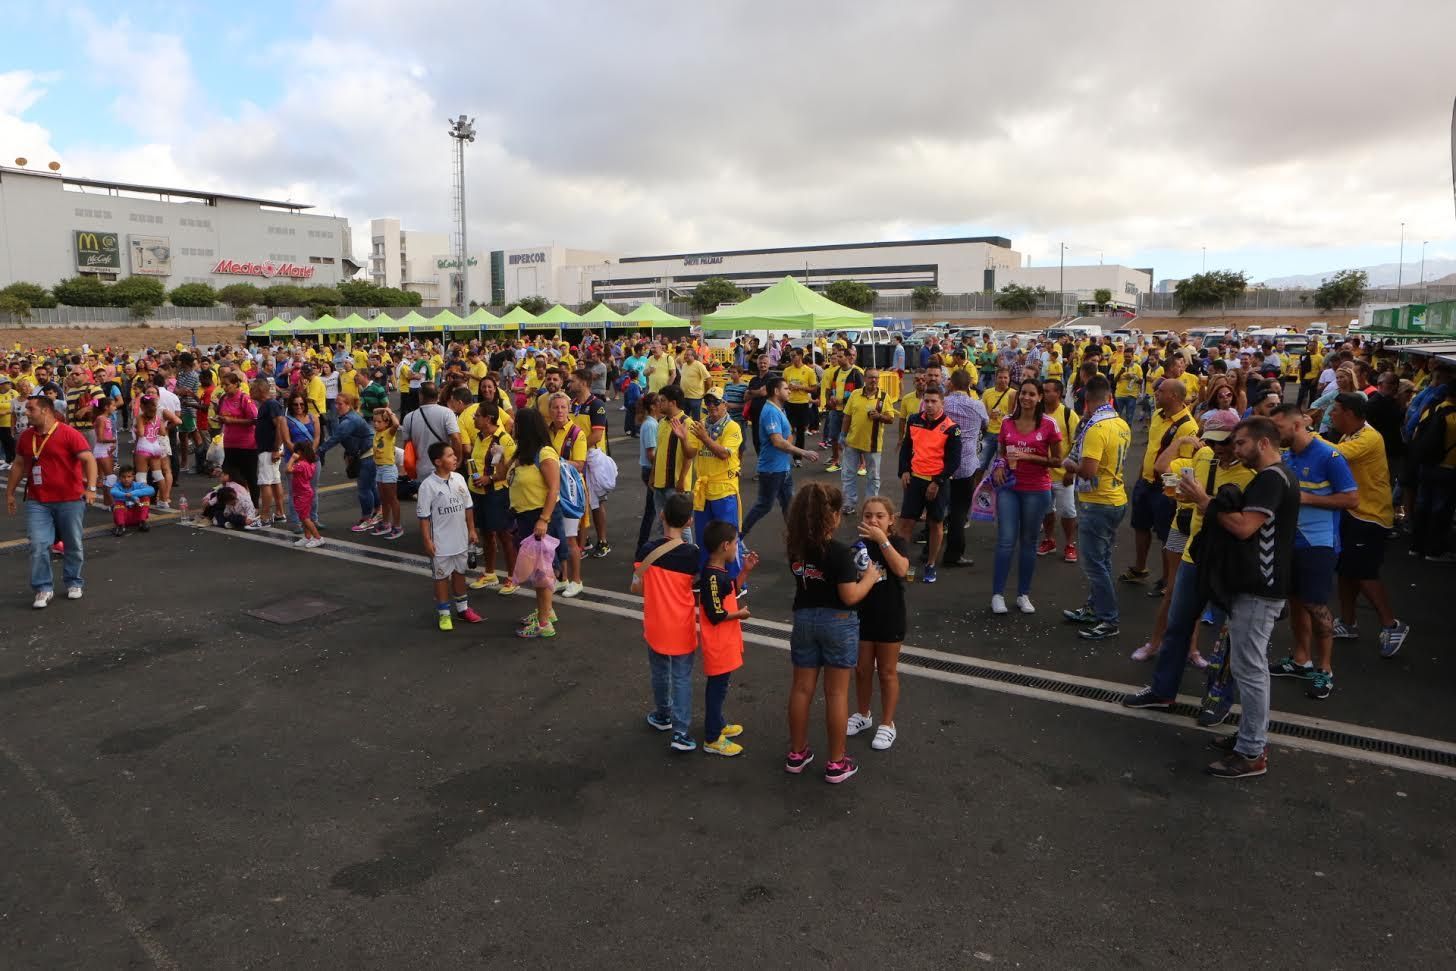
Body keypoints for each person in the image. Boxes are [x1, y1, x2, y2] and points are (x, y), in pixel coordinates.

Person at [1185, 418, 1300, 779]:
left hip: (1259, 586)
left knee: (1250, 668)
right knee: (1252, 666)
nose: (1235, 450)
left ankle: (1252, 752)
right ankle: (1250, 737)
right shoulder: (1280, 476)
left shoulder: (1271, 479)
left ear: (1263, 443)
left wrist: (1204, 500)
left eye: (1241, 444)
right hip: (1260, 585)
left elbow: (1244, 526)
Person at [784, 483, 883, 784]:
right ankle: (836, 762)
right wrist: (870, 577)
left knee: (801, 688)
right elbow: (850, 595)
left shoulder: (796, 547)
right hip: (838, 621)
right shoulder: (840, 553)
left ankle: (797, 753)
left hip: (804, 618)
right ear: (835, 516)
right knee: (836, 692)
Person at [1329, 393, 1410, 656]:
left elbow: (1334, 455)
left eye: (1336, 410)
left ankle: (1391, 624)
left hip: (1370, 516)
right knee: (1346, 569)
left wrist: (1303, 433)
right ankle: (1348, 622)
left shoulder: (1368, 437)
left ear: (1350, 414)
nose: (1331, 415)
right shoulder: (1351, 434)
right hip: (1352, 512)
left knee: (1364, 572)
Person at [6, 395, 98, 607]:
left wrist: (91, 488)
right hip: (37, 500)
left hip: (70, 499)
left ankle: (74, 581)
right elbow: (19, 464)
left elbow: (88, 459)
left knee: (72, 543)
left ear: (46, 410)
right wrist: (10, 493)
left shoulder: (68, 433)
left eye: (30, 409)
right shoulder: (26, 436)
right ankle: (43, 588)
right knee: (39, 544)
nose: (25, 413)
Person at [1062, 375, 1131, 640]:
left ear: (1087, 401)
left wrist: (1071, 466)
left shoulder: (1095, 428)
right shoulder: (1119, 422)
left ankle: (1108, 619)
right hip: (1115, 498)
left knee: (1094, 564)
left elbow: (1088, 471)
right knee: (1102, 560)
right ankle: (1094, 607)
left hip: (1099, 502)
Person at [635, 493, 701, 752]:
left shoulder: (647, 550)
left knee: (660, 670)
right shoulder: (692, 555)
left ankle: (663, 714)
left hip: (655, 623)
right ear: (690, 522)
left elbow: (639, 585)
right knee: (682, 675)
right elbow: (696, 586)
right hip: (681, 625)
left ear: (662, 515)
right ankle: (681, 731)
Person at [990, 379, 1061, 614]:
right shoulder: (1007, 422)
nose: (1026, 398)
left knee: (1029, 542)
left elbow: (1057, 461)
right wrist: (999, 465)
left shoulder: (1050, 424)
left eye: (1032, 394)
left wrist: (1029, 458)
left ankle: (1023, 594)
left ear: (1040, 397)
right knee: (1006, 541)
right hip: (1009, 487)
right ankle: (998, 594)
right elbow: (1001, 451)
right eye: (1023, 393)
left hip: (1037, 489)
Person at [845, 496, 910, 751]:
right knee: (861, 669)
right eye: (868, 515)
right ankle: (863, 714)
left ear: (890, 520)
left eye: (880, 516)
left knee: (887, 671)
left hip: (890, 615)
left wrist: (882, 541)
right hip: (862, 616)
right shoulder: (856, 547)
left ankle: (887, 723)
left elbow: (902, 569)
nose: (873, 520)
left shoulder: (896, 543)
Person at [1122, 378, 1197, 594]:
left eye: (1161, 390)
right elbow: (1151, 450)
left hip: (1165, 487)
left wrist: (1171, 493)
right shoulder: (1157, 414)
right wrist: (1140, 478)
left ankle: (1167, 579)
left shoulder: (1187, 426)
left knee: (1165, 533)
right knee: (1140, 525)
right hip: (1145, 481)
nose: (1156, 393)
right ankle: (1139, 568)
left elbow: (1183, 466)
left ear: (1174, 395)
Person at [698, 520, 759, 757]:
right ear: (725, 546)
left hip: (725, 642)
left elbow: (730, 588)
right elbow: (715, 614)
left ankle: (718, 723)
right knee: (717, 688)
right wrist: (739, 614)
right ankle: (712, 737)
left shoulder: (719, 572)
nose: (737, 548)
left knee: (720, 687)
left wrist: (744, 571)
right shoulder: (712, 576)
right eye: (735, 544)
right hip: (718, 644)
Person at [741, 376, 820, 543]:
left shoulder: (780, 409)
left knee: (790, 506)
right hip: (771, 470)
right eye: (786, 389)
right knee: (764, 505)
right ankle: (737, 538)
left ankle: (796, 540)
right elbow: (777, 441)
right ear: (776, 392)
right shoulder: (770, 411)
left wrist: (787, 445)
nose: (789, 390)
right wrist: (803, 452)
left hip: (783, 469)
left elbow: (788, 435)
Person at [896, 384, 962, 585]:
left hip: (938, 482)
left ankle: (931, 564)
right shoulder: (914, 420)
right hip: (915, 479)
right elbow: (906, 447)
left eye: (934, 401)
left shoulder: (952, 428)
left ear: (942, 403)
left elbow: (953, 462)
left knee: (935, 524)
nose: (930, 405)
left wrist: (938, 482)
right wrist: (904, 471)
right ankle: (902, 563)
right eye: (927, 401)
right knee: (906, 523)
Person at [507, 407, 563, 639]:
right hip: (526, 516)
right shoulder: (522, 454)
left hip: (539, 517)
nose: (511, 425)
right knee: (539, 571)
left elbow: (554, 489)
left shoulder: (545, 453)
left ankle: (543, 624)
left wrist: (543, 519)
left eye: (515, 422)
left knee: (541, 572)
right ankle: (545, 612)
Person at [417, 441, 482, 631]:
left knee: (460, 573)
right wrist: (427, 541)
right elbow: (424, 518)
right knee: (441, 577)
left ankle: (463, 609)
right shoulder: (427, 486)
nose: (455, 458)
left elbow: (468, 507)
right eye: (450, 455)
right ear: (438, 461)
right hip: (440, 542)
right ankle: (444, 613)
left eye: (454, 455)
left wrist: (471, 530)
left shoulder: (459, 479)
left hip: (460, 539)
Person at [466, 402, 519, 594]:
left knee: (505, 535)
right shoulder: (479, 437)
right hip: (479, 493)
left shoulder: (504, 440)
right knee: (486, 534)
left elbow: (512, 469)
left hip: (497, 493)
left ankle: (513, 576)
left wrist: (491, 478)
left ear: (488, 419)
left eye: (477, 416)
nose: (474, 419)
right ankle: (490, 573)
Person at [691, 392, 745, 581]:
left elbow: (724, 454)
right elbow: (691, 451)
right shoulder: (702, 424)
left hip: (724, 491)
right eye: (708, 401)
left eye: (715, 401)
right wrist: (682, 437)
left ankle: (734, 582)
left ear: (725, 404)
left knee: (727, 540)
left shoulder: (732, 427)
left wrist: (705, 437)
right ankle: (707, 577)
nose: (711, 405)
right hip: (704, 492)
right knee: (704, 537)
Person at [939, 369, 988, 567]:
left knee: (937, 508)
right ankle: (954, 554)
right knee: (959, 511)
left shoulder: (942, 403)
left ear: (951, 384)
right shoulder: (976, 405)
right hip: (966, 463)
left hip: (941, 460)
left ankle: (929, 550)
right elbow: (986, 424)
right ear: (969, 385)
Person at [1038, 378, 1080, 562]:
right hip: (1042, 474)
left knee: (1068, 511)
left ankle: (1070, 544)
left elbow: (1078, 444)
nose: (1044, 394)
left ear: (1059, 393)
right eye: (1043, 391)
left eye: (1048, 391)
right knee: (1047, 511)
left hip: (1063, 474)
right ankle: (1049, 540)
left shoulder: (1068, 414)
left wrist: (1071, 470)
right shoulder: (1037, 414)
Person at [252, 378, 288, 525]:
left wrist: (275, 449)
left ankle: (265, 516)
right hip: (269, 448)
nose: (250, 392)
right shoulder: (266, 405)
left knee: (265, 482)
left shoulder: (271, 404)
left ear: (260, 390)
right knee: (274, 480)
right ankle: (280, 513)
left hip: (269, 449)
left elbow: (280, 426)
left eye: (252, 389)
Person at [370, 407, 404, 539]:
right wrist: (380, 409)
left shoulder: (389, 433)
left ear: (386, 423)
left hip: (388, 468)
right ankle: (385, 524)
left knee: (392, 499)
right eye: (374, 421)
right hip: (379, 468)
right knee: (383, 499)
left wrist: (389, 411)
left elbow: (396, 424)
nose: (376, 424)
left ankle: (397, 526)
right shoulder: (377, 433)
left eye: (379, 422)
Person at [285, 440, 323, 549]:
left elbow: (287, 469)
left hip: (302, 493)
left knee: (305, 518)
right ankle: (307, 536)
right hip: (305, 492)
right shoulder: (310, 464)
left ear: (300, 452)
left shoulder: (301, 465)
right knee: (304, 516)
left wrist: (292, 459)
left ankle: (317, 537)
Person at [635, 392, 661, 553]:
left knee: (651, 509)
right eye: (659, 401)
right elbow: (651, 453)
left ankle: (642, 546)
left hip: (648, 469)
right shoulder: (651, 425)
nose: (662, 404)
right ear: (653, 406)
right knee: (653, 510)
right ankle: (642, 547)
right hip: (651, 470)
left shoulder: (650, 423)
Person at [781, 348, 818, 458]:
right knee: (787, 429)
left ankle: (798, 457)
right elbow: (782, 386)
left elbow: (814, 389)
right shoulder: (787, 370)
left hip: (802, 403)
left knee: (800, 431)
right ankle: (785, 452)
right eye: (790, 356)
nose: (791, 358)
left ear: (800, 356)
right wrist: (788, 388)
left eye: (794, 356)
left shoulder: (809, 371)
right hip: (789, 402)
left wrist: (800, 387)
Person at [108, 464, 155, 536]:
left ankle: (142, 522)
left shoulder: (138, 485)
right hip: (124, 516)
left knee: (145, 498)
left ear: (133, 477)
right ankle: (121, 526)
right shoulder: (117, 486)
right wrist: (132, 497)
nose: (126, 479)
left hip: (137, 513)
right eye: (123, 477)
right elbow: (113, 492)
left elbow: (151, 490)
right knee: (118, 502)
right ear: (119, 478)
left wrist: (133, 493)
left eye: (129, 476)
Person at [677, 348, 711, 420]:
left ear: (693, 356)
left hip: (696, 398)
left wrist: (707, 392)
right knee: (684, 419)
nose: (685, 356)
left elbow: (708, 378)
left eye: (688, 355)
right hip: (684, 396)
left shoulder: (699, 365)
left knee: (696, 419)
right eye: (685, 355)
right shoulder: (684, 365)